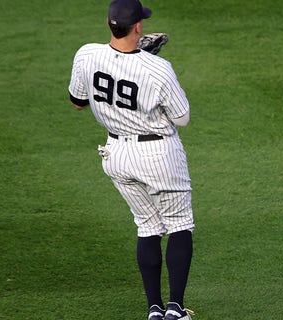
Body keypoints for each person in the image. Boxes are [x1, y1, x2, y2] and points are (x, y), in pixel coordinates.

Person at [67, 1, 195, 319]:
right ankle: (175, 310)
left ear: (110, 25)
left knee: (147, 226)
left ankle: (154, 309)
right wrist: (147, 64)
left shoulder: (86, 54)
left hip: (116, 155)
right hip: (157, 154)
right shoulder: (157, 69)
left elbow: (78, 102)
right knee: (179, 225)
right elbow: (182, 118)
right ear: (138, 27)